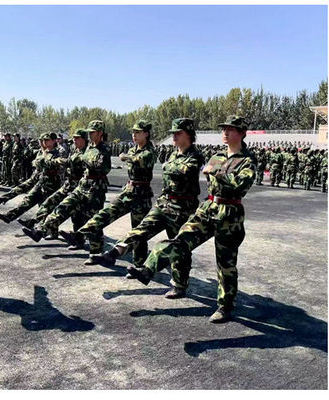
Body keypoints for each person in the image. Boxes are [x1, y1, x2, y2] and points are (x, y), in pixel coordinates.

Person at [126, 115, 255, 324]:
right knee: (181, 240)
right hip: (209, 207)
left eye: (230, 129)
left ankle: (225, 306)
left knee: (225, 264)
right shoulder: (218, 155)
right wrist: (217, 173)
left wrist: (218, 173)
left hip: (230, 215)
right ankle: (147, 270)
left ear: (241, 133)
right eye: (224, 129)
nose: (225, 133)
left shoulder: (247, 160)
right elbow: (210, 176)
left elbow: (240, 185)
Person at [94, 118, 203, 269]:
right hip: (164, 204)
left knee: (179, 248)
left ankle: (178, 281)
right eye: (173, 133)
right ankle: (112, 254)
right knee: (140, 230)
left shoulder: (195, 156)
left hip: (182, 209)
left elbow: (185, 170)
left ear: (189, 134)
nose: (174, 136)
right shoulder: (173, 155)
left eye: (178, 133)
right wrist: (168, 166)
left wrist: (168, 166)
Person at [79, 120, 158, 265]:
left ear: (146, 134)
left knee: (138, 232)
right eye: (133, 132)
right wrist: (128, 157)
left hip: (142, 195)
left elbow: (140, 160)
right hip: (129, 191)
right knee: (105, 213)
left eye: (137, 132)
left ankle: (139, 265)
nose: (134, 135)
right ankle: (80, 236)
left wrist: (125, 157)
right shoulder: (133, 149)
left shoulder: (150, 151)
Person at [26, 120, 112, 243]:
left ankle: (93, 247)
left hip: (96, 188)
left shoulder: (104, 148)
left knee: (91, 218)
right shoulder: (89, 147)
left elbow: (102, 167)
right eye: (89, 132)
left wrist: (84, 158)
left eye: (92, 132)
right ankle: (40, 231)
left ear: (100, 133)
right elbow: (77, 161)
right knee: (63, 207)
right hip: (82, 185)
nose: (90, 135)